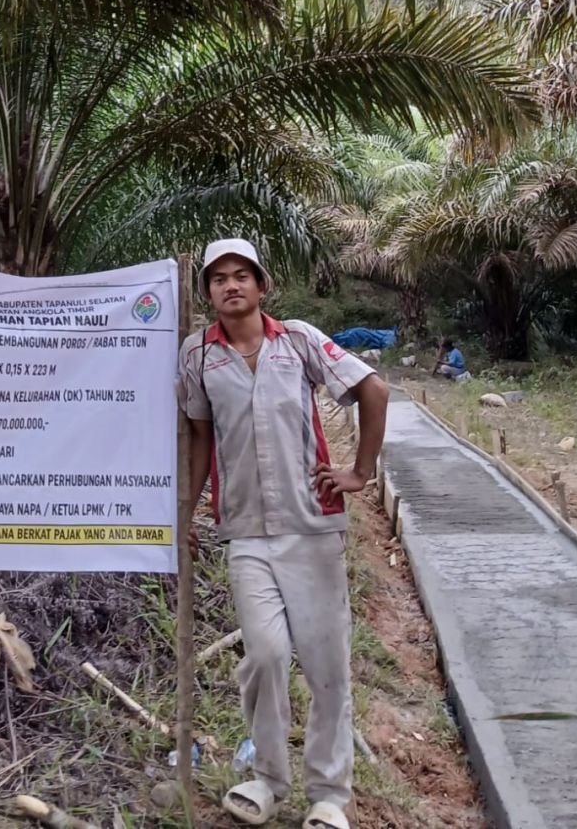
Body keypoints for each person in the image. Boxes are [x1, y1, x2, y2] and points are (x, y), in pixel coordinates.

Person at [178, 239, 389, 829]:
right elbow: (199, 437)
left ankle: (328, 796)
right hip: (243, 531)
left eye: (241, 275)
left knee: (326, 666)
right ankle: (269, 778)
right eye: (217, 279)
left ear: (261, 285)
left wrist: (361, 471)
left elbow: (373, 389)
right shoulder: (197, 356)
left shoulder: (296, 340)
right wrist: (185, 513)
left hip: (312, 526)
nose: (230, 286)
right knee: (266, 655)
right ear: (207, 293)